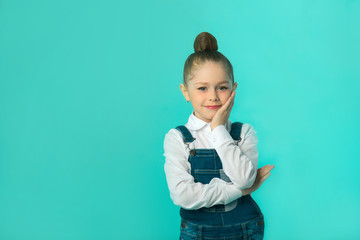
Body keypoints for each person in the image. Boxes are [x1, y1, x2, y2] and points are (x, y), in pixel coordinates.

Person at [163, 32, 275, 240]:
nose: (213, 96)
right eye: (202, 88)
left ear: (234, 90)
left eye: (222, 87)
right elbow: (183, 195)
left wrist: (218, 129)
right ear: (185, 91)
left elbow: (244, 179)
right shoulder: (177, 138)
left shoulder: (244, 133)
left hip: (244, 230)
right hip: (197, 232)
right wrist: (238, 192)